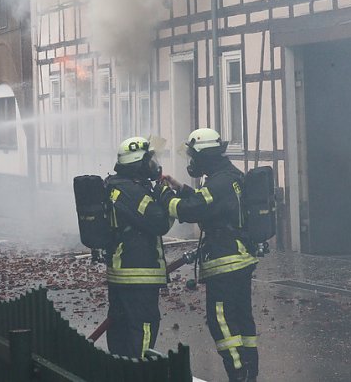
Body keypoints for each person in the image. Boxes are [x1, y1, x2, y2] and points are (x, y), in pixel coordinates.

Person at [162, 128, 259, 382]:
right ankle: (250, 373)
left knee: (222, 321)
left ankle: (238, 374)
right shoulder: (230, 176)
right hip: (240, 257)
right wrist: (180, 187)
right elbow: (208, 203)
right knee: (242, 318)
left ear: (205, 156)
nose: (192, 162)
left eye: (194, 156)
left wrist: (166, 197)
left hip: (225, 261)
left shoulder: (218, 183)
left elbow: (191, 210)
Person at [103, 136, 175, 358]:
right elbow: (159, 222)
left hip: (123, 271)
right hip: (138, 272)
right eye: (149, 161)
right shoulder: (132, 192)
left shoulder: (117, 186)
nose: (153, 165)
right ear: (138, 164)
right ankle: (140, 370)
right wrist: (166, 195)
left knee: (121, 325)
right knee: (143, 325)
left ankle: (122, 368)